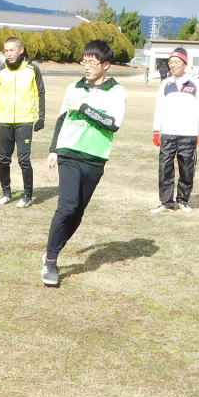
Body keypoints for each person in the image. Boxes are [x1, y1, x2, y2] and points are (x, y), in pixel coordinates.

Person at [42, 40, 126, 286]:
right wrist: (54, 149)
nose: (86, 66)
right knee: (67, 206)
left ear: (106, 65)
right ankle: (50, 262)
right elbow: (61, 118)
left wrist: (84, 108)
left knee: (78, 212)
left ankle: (53, 250)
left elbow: (113, 123)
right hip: (69, 153)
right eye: (84, 61)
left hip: (95, 156)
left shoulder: (116, 91)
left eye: (92, 62)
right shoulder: (74, 87)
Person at [0, 37, 46, 208]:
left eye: (12, 50)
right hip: (5, 121)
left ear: (21, 50)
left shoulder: (32, 69)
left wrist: (41, 117)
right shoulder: (0, 72)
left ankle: (27, 196)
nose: (8, 54)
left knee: (24, 160)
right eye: (6, 50)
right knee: (3, 160)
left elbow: (40, 93)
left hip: (25, 121)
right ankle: (6, 193)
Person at [150, 47, 199, 214]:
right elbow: (159, 108)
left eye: (177, 62)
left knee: (187, 169)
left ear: (185, 63)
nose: (173, 65)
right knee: (165, 168)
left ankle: (183, 200)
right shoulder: (165, 83)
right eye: (171, 62)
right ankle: (166, 202)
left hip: (188, 133)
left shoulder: (196, 83)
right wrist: (156, 130)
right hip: (168, 132)